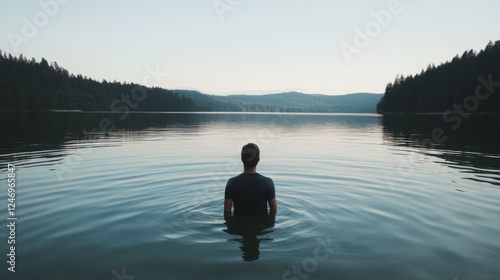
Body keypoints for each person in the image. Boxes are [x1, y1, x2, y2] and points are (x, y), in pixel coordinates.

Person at [224, 143, 277, 217]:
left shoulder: (232, 183)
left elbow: (227, 212)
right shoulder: (268, 182)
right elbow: (274, 211)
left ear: (242, 159)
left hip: (239, 226)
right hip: (261, 226)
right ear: (258, 159)